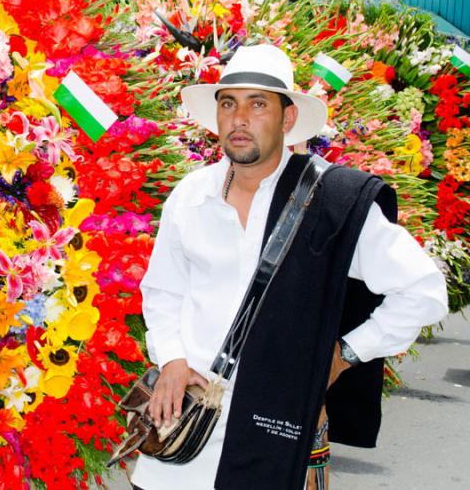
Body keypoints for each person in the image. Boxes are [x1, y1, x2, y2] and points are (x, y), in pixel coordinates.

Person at [129, 44, 448, 490]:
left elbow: (424, 292)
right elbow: (163, 290)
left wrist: (343, 356)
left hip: (277, 422)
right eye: (228, 103)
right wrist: (173, 361)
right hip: (187, 423)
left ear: (289, 118)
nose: (239, 119)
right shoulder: (191, 195)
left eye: (257, 104)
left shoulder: (334, 201)